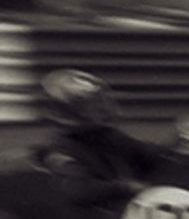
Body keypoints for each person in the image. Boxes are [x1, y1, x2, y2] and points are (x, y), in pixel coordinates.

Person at [33, 69, 161, 198]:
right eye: (90, 107)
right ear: (65, 110)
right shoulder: (60, 150)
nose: (100, 110)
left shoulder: (107, 136)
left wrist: (176, 149)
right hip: (88, 212)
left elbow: (145, 153)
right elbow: (79, 190)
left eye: (99, 103)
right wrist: (124, 187)